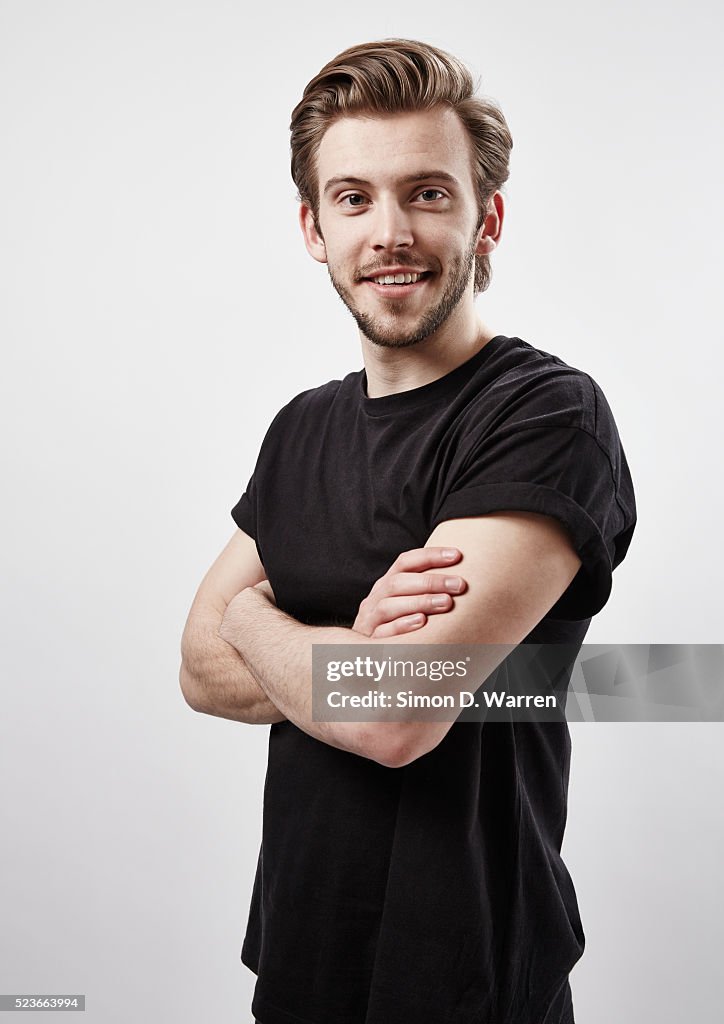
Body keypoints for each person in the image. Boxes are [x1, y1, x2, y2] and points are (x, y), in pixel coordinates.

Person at [179, 38, 636, 1024]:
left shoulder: (543, 414)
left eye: (427, 193)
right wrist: (351, 648)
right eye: (353, 198)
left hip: (472, 979)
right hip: (300, 965)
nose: (389, 230)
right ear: (314, 227)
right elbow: (193, 670)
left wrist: (258, 620)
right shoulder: (302, 428)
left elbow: (395, 713)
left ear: (488, 217)